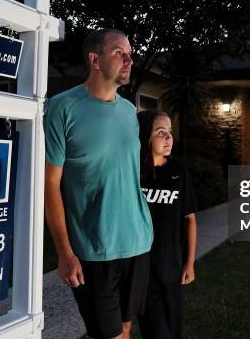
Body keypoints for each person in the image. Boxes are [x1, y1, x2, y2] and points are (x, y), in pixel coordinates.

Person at [43, 28, 153, 339]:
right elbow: (50, 184)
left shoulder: (129, 112)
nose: (129, 59)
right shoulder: (62, 108)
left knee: (127, 329)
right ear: (94, 59)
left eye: (130, 53)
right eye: (120, 52)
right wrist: (64, 251)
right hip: (94, 247)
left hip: (138, 241)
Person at [136, 110, 197, 339]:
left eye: (170, 132)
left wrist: (189, 263)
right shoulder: (134, 173)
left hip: (171, 266)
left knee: (173, 331)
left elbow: (189, 219)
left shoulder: (178, 171)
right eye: (160, 132)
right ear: (146, 137)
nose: (168, 138)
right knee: (158, 333)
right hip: (142, 269)